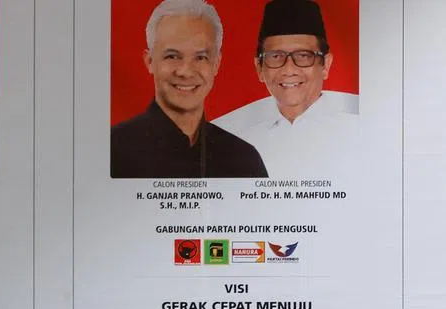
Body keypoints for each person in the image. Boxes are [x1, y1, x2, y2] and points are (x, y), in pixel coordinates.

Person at [110, 0, 267, 179]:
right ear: (150, 61)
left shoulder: (243, 159)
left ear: (216, 64)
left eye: (200, 57)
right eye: (172, 56)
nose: (185, 71)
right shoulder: (111, 153)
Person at [212, 0, 357, 176]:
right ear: (259, 67)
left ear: (326, 65)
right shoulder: (229, 134)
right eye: (276, 56)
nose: (288, 70)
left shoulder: (364, 122)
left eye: (303, 56)